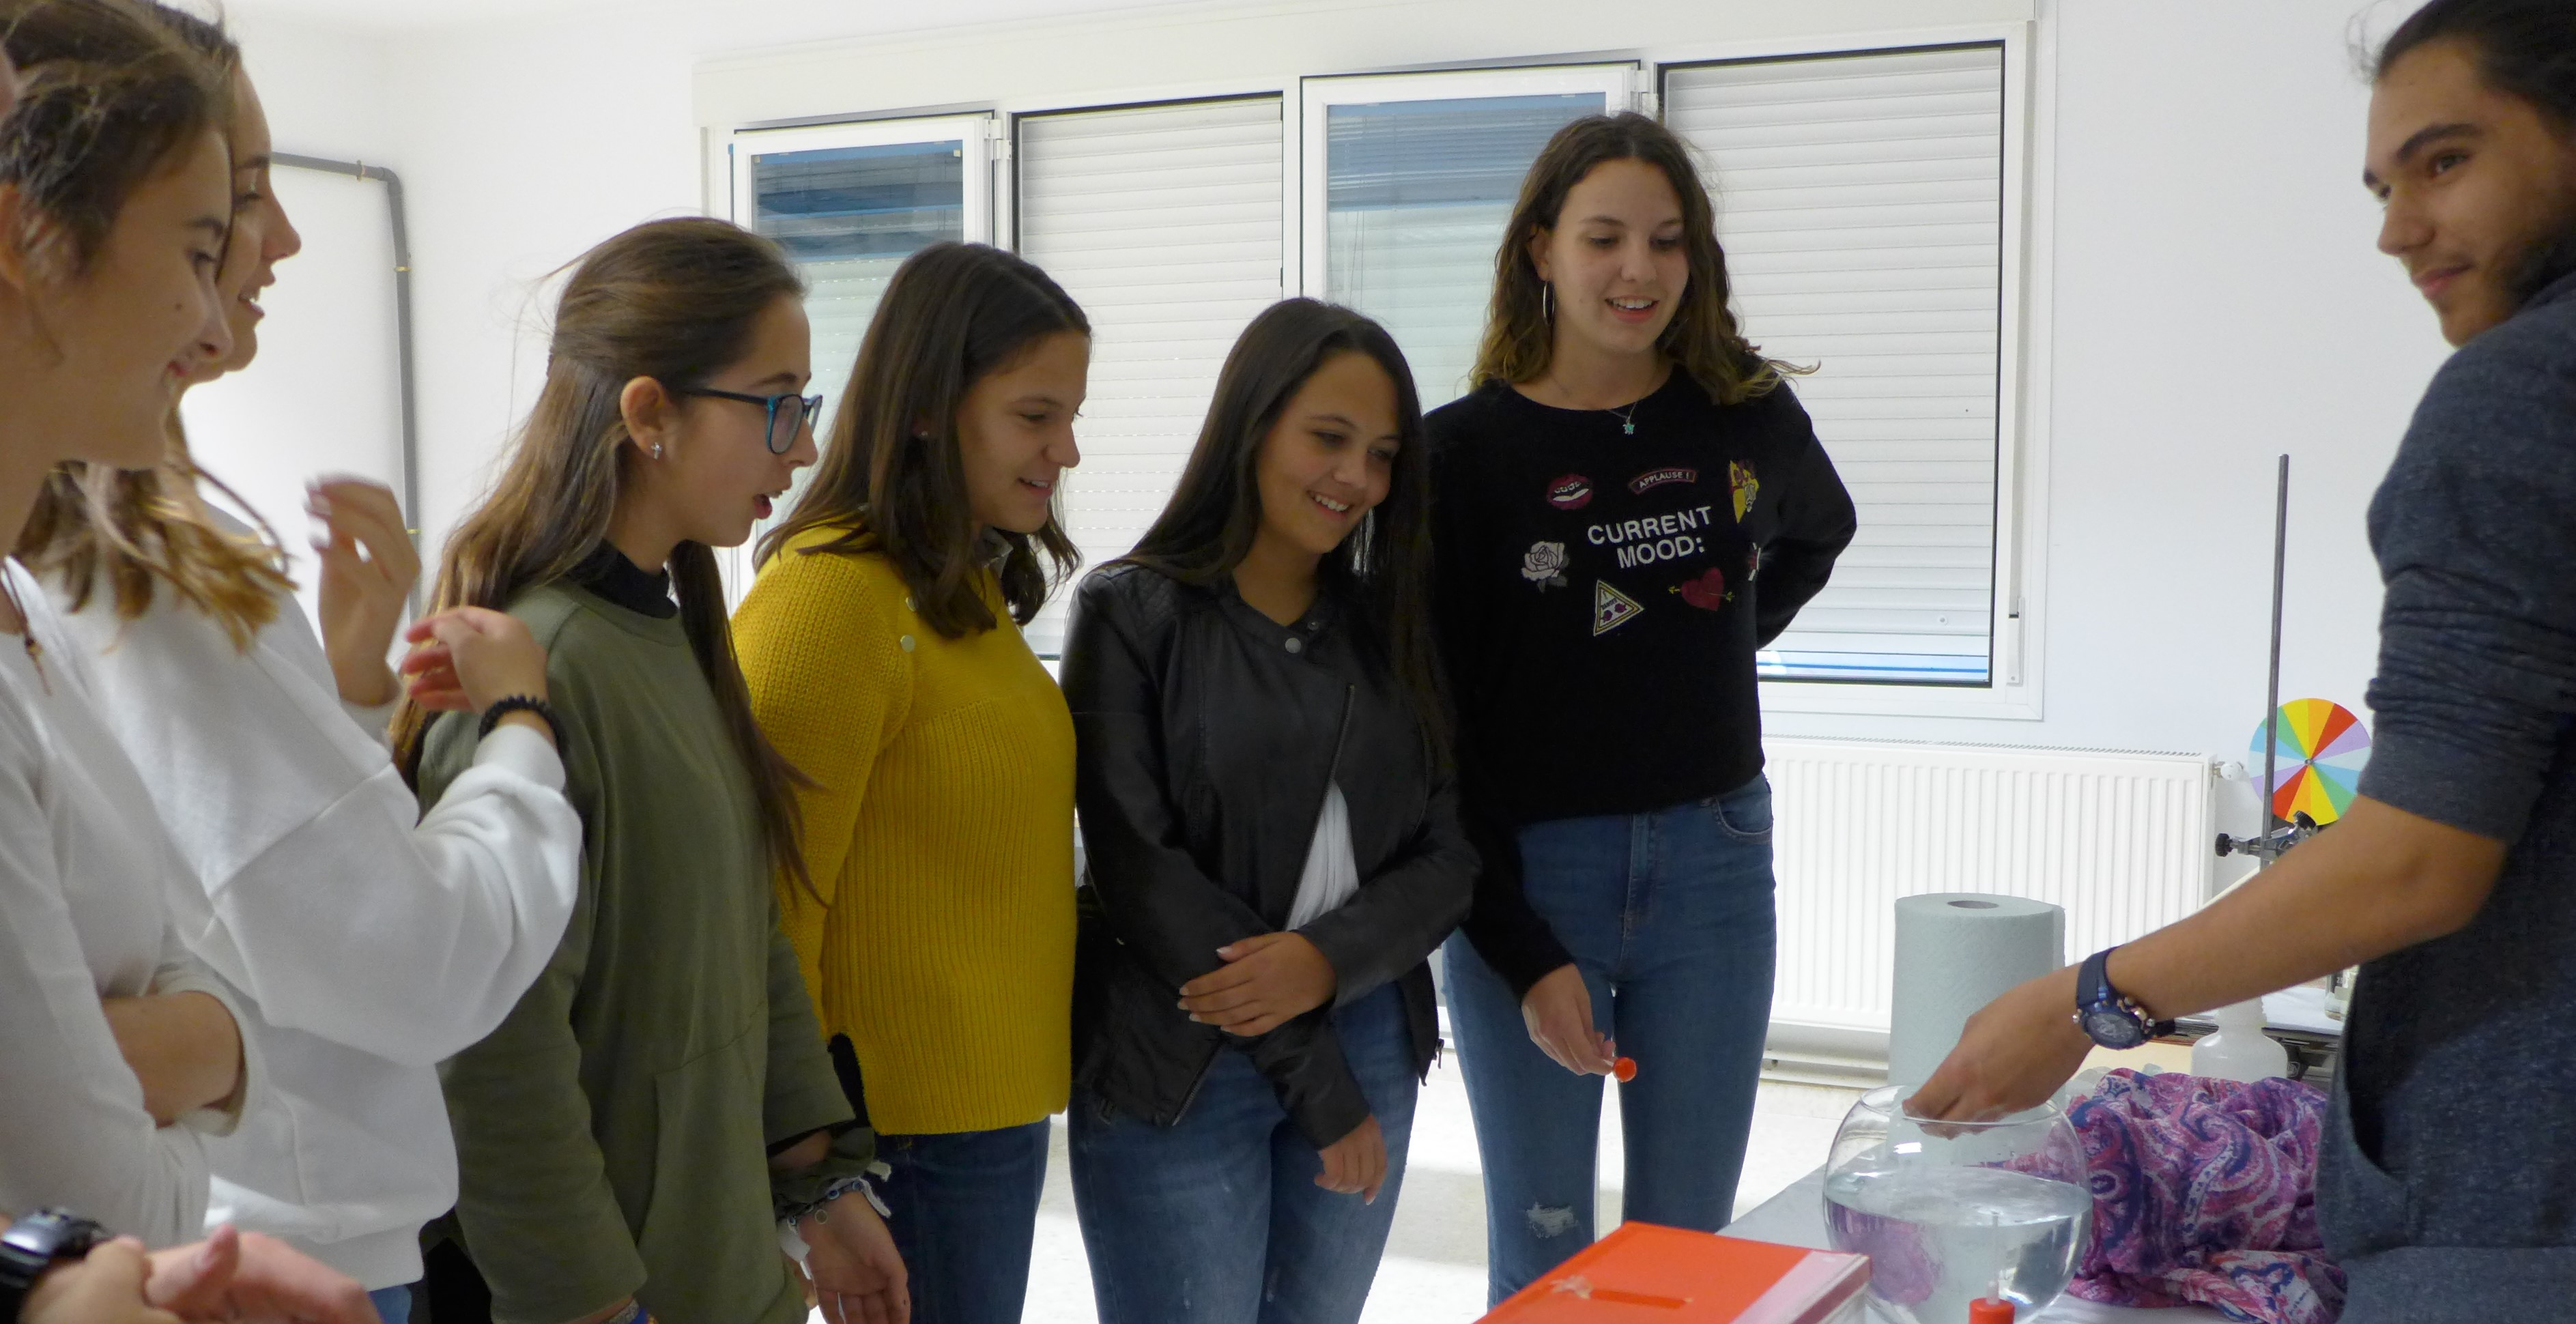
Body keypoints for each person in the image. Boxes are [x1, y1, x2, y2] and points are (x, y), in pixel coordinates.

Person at [1911, 1, 2576, 1317]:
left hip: (2520, 1206)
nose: (2395, 231)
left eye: (2446, 161)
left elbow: (2413, 858)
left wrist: (2083, 1002)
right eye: (2385, 186)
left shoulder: (2518, 398)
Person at [16, 10, 584, 1323]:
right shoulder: (133, 576)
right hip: (270, 1241)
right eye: (225, 218)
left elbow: (206, 926)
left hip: (207, 1228)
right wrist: (519, 728)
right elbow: (412, 960)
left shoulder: (122, 569)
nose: (272, 248)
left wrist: (343, 688)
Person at [390, 218, 902, 1324]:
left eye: (803, 406)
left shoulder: (666, 637)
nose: (802, 448)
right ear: (649, 415)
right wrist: (591, 1304)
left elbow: (743, 940)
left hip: (717, 1272)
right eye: (776, 404)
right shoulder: (540, 667)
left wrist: (823, 1183)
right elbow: (495, 1058)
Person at [1428, 111, 1857, 1303]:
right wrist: (1515, 952)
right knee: (1546, 1250)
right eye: (1605, 237)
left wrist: (1709, 640)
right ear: (1540, 251)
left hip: (1714, 869)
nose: (1638, 270)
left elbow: (1819, 531)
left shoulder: (1742, 412)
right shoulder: (1460, 455)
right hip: (1530, 876)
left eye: (1667, 242)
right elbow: (1436, 728)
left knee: (1686, 1258)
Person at [1058, 298, 1474, 1323]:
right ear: (1251, 426)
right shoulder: (1129, 611)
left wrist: (1326, 962)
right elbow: (1140, 870)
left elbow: (1449, 856)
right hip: (1181, 1048)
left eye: (1379, 455)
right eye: (1326, 439)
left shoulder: (1392, 624)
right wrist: (1317, 1080)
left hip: (1369, 1020)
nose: (1354, 480)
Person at [732, 240, 1085, 1324]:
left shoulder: (957, 592)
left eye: (1069, 415)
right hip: (898, 1142)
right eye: (1035, 416)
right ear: (931, 407)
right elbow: (765, 909)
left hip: (981, 1121)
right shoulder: (829, 603)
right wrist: (816, 1175)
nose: (1064, 449)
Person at [0, 0, 261, 1249]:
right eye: (200, 252)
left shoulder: (31, 611)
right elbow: (97, 1210)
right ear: (31, 237)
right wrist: (197, 1058)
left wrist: (192, 1037)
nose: (215, 331)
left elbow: (205, 974)